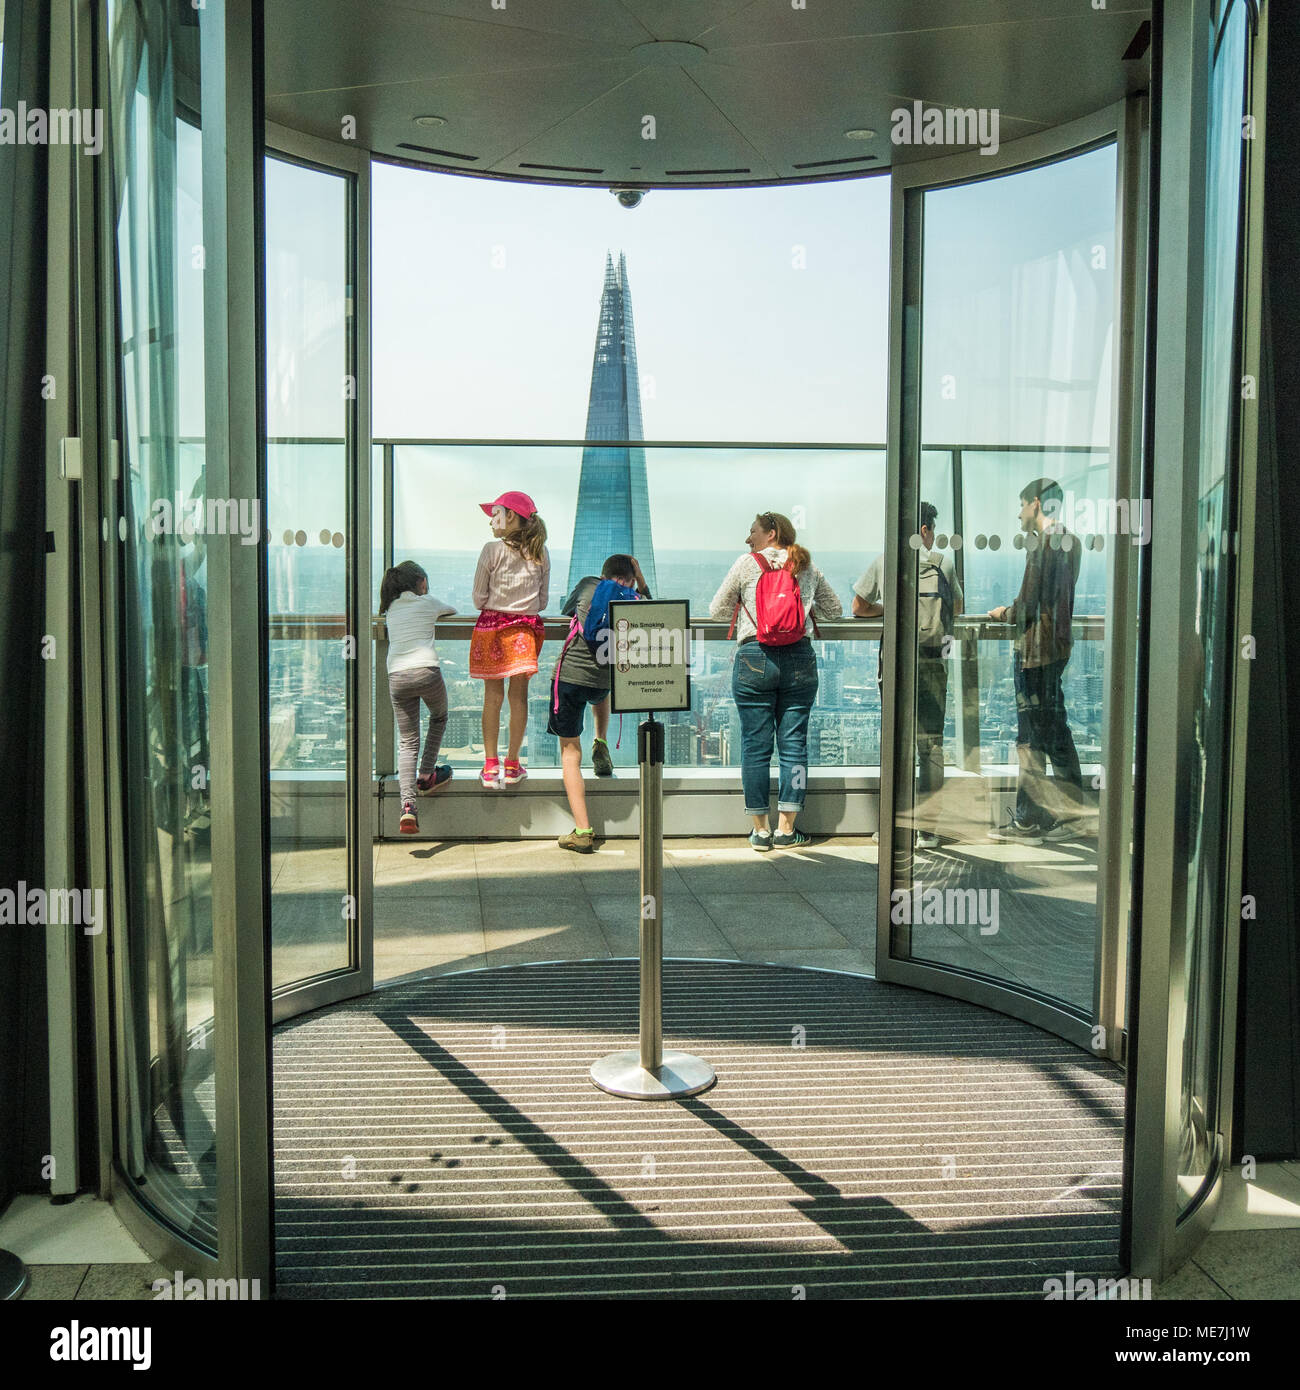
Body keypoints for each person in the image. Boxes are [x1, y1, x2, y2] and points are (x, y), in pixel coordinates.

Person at [710, 512, 842, 851]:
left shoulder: (746, 564)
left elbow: (716, 612)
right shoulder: (806, 566)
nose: (747, 538)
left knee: (755, 745)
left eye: (752, 531)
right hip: (799, 658)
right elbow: (835, 611)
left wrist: (746, 605)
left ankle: (760, 830)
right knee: (794, 744)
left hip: (755, 657)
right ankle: (787, 828)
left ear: (771, 534)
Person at [852, 501, 964, 848]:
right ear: (927, 530)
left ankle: (894, 826)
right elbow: (957, 607)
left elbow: (858, 608)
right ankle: (928, 829)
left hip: (897, 664)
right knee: (930, 745)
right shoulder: (943, 563)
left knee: (897, 744)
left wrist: (892, 609)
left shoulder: (887, 560)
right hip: (933, 664)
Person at [987, 477, 1085, 844]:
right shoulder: (1072, 543)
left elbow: (1026, 605)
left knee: (1031, 736)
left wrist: (1002, 613)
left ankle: (1030, 819)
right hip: (1057, 648)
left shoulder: (1042, 544)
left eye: (1022, 504)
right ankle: (1064, 814)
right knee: (1055, 730)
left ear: (1037, 505)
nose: (1019, 514)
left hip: (1035, 652)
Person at [548, 554, 651, 852]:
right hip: (604, 681)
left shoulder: (587, 586)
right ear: (631, 579)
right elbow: (655, 610)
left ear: (604, 573)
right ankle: (601, 742)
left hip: (569, 677)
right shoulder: (634, 599)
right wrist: (641, 582)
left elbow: (565, 609)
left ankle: (583, 830)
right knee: (600, 694)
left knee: (569, 753)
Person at [470, 491, 550, 789]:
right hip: (524, 632)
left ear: (511, 517)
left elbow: (479, 598)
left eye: (496, 514)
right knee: (519, 698)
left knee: (492, 698)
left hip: (491, 629)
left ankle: (490, 766)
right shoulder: (541, 553)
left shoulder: (491, 551)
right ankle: (513, 764)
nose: (492, 520)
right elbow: (541, 602)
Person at [379, 560, 456, 835]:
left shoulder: (389, 608)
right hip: (426, 671)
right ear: (420, 582)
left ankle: (408, 807)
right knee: (439, 716)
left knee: (407, 740)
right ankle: (426, 775)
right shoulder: (427, 603)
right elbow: (452, 610)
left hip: (397, 676)